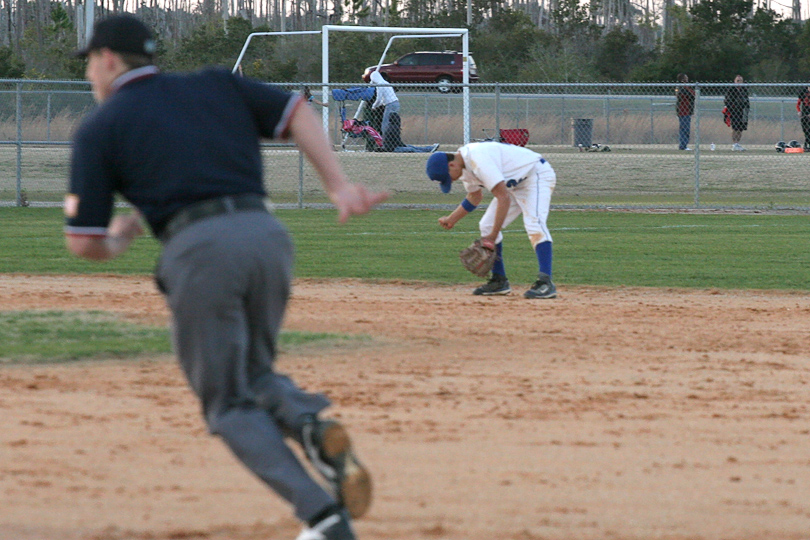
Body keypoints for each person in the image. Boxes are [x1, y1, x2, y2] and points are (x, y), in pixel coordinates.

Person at [64, 15, 387, 540]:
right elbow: (296, 109)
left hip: (200, 250)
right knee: (255, 372)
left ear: (107, 60)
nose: (90, 80)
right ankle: (308, 425)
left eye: (90, 68)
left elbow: (83, 240)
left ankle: (323, 518)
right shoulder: (214, 83)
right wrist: (337, 185)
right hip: (267, 237)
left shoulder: (102, 125)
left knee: (226, 404)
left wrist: (122, 239)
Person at [425, 142, 557, 299]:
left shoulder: (478, 160)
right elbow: (475, 196)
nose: (451, 181)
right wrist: (452, 219)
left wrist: (493, 236)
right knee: (486, 226)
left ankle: (545, 282)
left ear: (452, 164)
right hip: (513, 185)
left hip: (535, 175)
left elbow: (503, 198)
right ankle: (499, 281)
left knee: (534, 223)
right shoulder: (463, 168)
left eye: (448, 177)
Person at [369, 70, 399, 142]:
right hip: (396, 103)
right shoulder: (386, 83)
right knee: (393, 123)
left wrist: (374, 106)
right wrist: (381, 104)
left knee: (385, 124)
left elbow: (379, 99)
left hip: (390, 105)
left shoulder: (380, 85)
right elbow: (383, 99)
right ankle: (392, 140)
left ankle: (385, 142)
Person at [724, 75, 750, 151]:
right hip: (734, 111)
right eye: (737, 81)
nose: (739, 82)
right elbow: (727, 100)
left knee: (740, 128)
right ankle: (734, 144)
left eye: (741, 81)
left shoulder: (744, 90)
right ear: (734, 81)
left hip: (742, 111)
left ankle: (737, 143)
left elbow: (746, 100)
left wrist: (746, 108)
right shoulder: (731, 90)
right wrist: (733, 107)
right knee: (735, 128)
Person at [675, 73, 695, 151]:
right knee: (684, 129)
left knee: (686, 128)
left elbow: (694, 94)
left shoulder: (687, 88)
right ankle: (683, 146)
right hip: (683, 111)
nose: (687, 80)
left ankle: (684, 145)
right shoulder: (681, 88)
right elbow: (691, 95)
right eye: (686, 79)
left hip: (687, 111)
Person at [797, 86, 810, 151]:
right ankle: (806, 145)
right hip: (804, 114)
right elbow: (798, 104)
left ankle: (806, 144)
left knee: (809, 130)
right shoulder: (803, 94)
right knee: (805, 130)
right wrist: (799, 111)